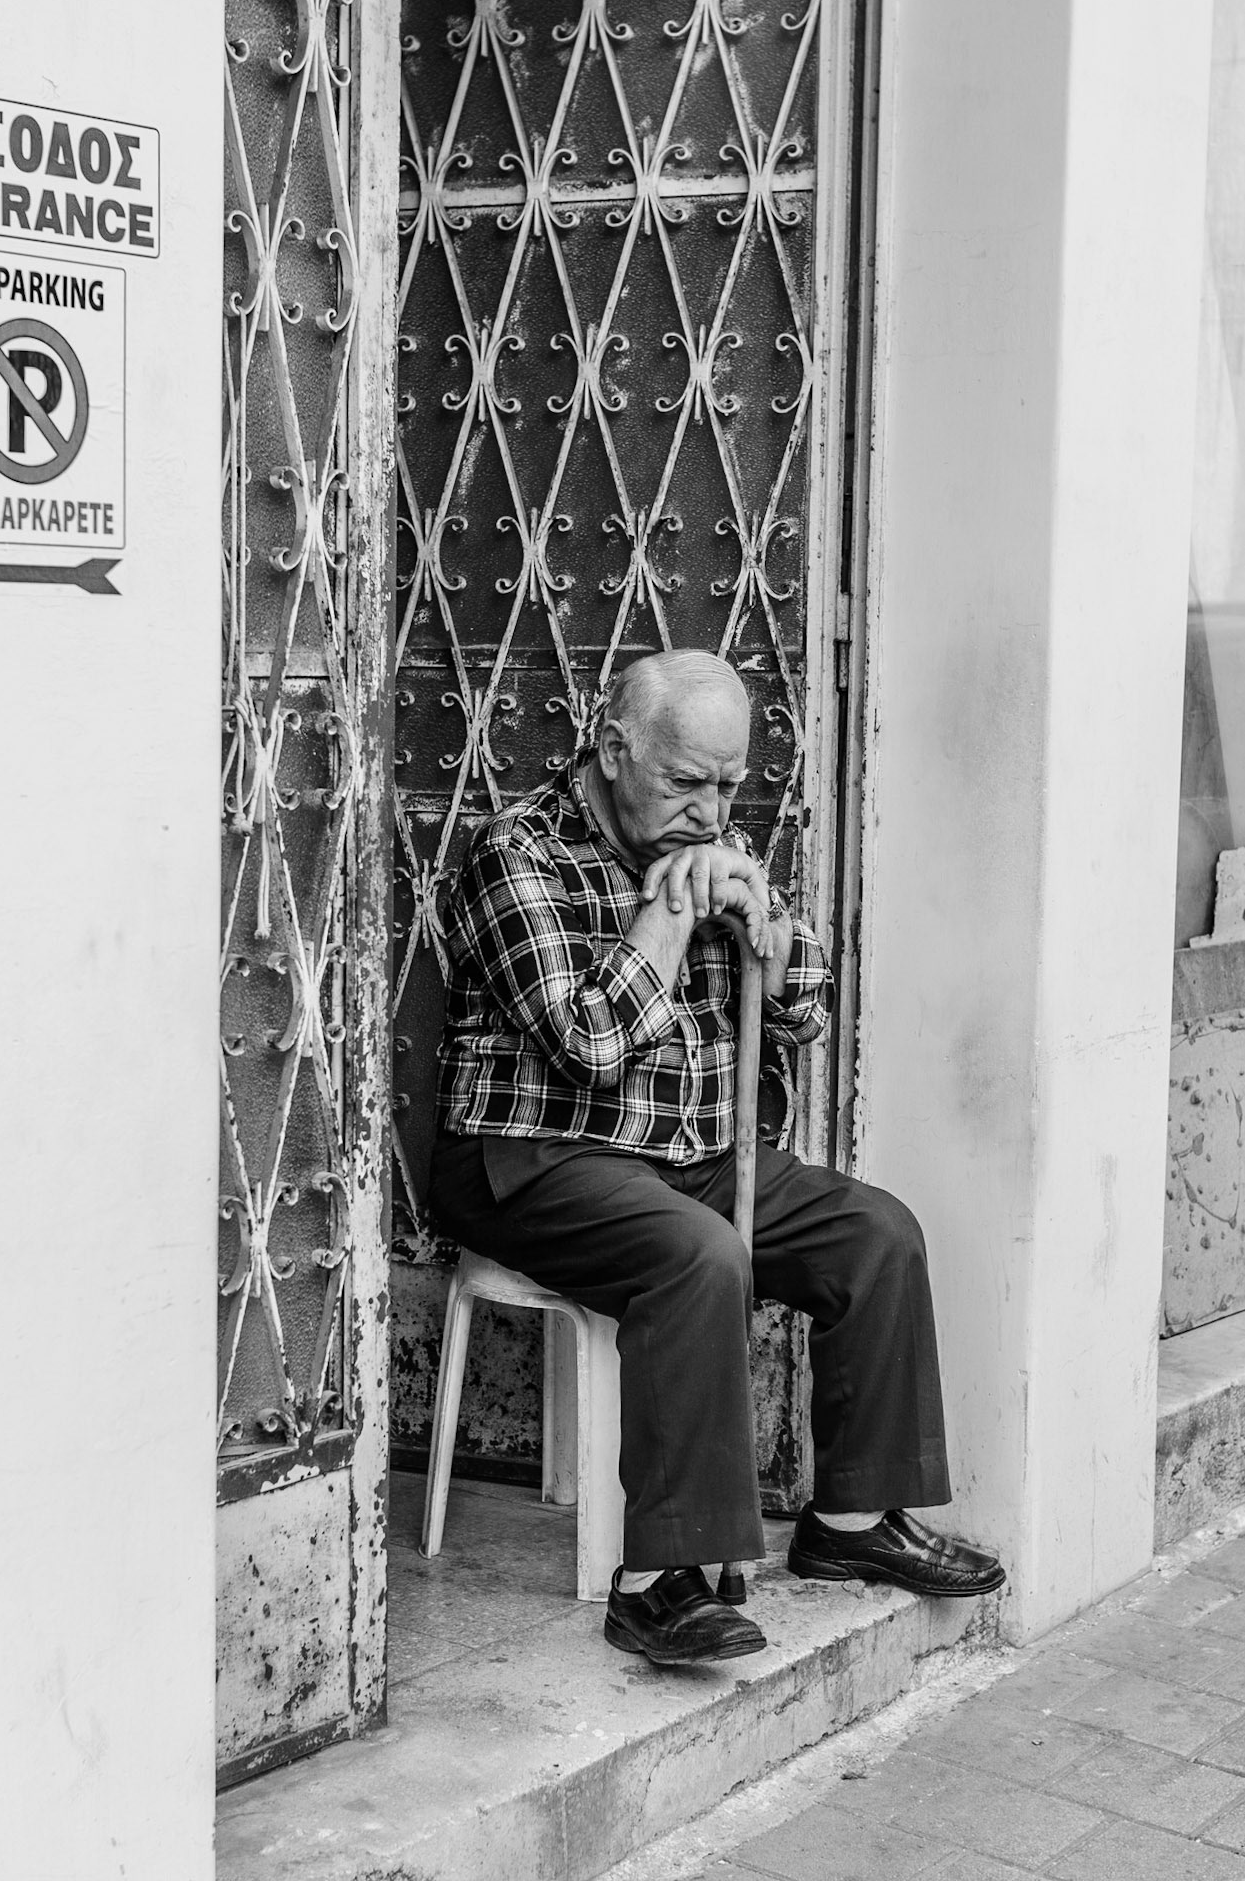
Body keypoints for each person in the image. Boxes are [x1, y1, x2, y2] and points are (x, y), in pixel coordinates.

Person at [429, 649, 1004, 1666]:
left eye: (728, 784)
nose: (709, 808)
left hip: (682, 1150)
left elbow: (803, 1015)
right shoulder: (514, 853)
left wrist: (765, 928)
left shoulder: (716, 846)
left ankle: (853, 1520)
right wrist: (668, 916)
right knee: (697, 1256)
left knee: (874, 1232)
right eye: (684, 781)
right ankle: (661, 1580)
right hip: (533, 1157)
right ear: (613, 748)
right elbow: (590, 1043)